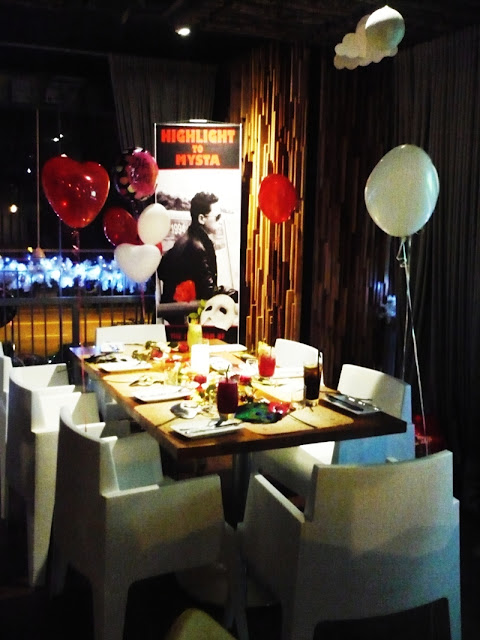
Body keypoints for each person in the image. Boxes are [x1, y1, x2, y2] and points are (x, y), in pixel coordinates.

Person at [157, 191, 223, 304]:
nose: (220, 221)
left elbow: (163, 270)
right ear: (201, 219)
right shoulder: (197, 248)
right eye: (217, 217)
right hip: (186, 311)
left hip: (175, 309)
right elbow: (208, 292)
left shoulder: (187, 240)